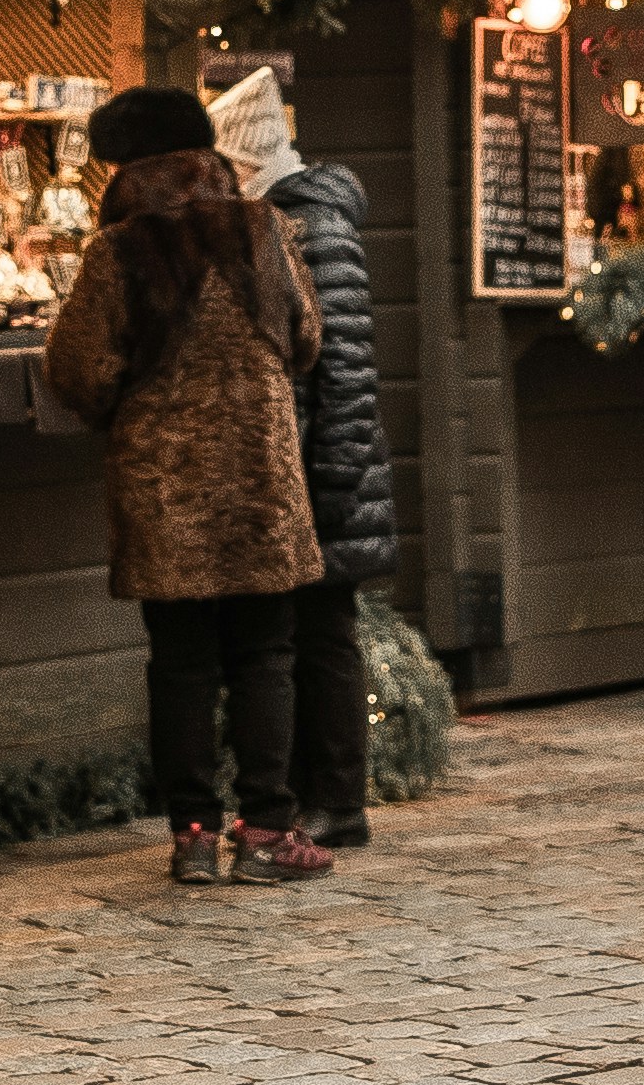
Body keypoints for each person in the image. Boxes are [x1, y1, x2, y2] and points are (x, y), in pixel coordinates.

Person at [47, 85, 333, 886]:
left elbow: (79, 370)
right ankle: (269, 833)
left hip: (162, 488)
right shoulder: (265, 230)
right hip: (259, 484)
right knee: (265, 657)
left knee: (180, 664)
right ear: (205, 157)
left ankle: (195, 837)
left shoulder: (117, 254)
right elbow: (307, 340)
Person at [205, 64, 393, 849]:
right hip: (320, 460)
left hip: (323, 463)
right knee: (319, 634)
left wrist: (332, 475)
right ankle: (330, 799)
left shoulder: (308, 224)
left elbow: (343, 364)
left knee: (321, 635)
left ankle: (338, 802)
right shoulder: (301, 218)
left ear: (247, 168)